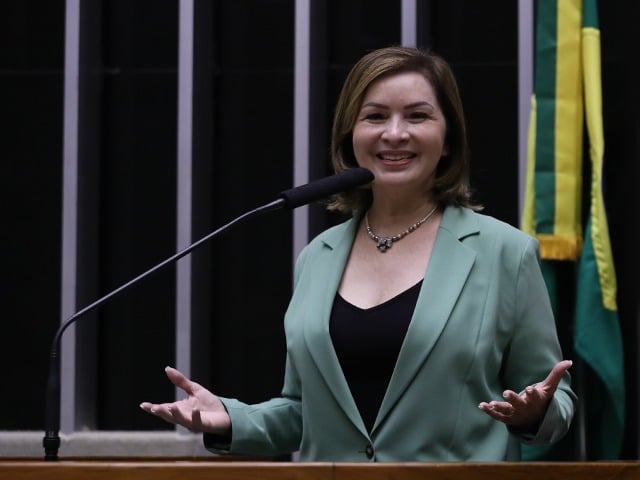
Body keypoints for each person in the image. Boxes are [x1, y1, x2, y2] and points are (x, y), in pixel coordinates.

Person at [140, 46, 576, 461]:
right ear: (351, 136)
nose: (394, 133)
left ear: (447, 140)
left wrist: (537, 411)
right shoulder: (318, 257)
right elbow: (302, 412)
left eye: (418, 116)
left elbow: (556, 399)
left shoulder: (505, 253)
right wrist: (231, 418)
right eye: (375, 116)